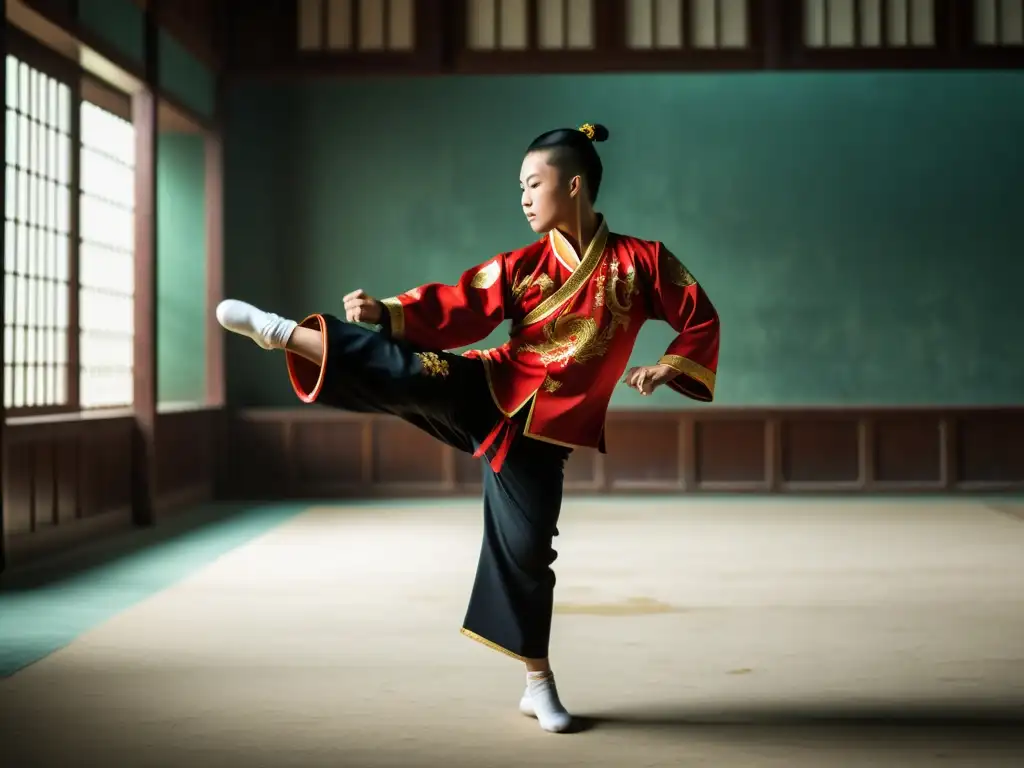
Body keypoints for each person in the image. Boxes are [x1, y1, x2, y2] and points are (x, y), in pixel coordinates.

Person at [216, 122, 720, 733]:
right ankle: (281, 332)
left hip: (544, 440)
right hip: (488, 391)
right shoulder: (521, 265)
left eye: (534, 183)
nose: (525, 197)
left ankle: (538, 684)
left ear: (576, 184)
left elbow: (699, 313)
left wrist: (666, 367)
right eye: (521, 187)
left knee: (530, 553)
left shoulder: (642, 263)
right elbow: (461, 306)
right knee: (407, 373)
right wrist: (389, 312)